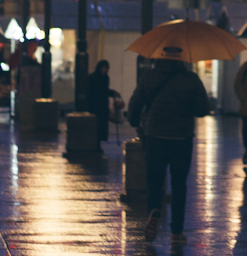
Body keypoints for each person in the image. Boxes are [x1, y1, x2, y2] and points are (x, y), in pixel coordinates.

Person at [127, 58, 211, 244]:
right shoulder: (192, 79)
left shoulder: (149, 76)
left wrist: (135, 123)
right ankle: (176, 232)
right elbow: (203, 109)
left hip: (155, 137)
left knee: (154, 182)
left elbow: (134, 105)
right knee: (179, 186)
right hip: (181, 139)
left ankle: (154, 210)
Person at [87, 59, 120, 145]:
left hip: (101, 105)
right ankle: (96, 144)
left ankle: (97, 144)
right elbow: (101, 91)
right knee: (97, 126)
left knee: (101, 125)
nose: (105, 70)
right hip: (95, 106)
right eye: (103, 68)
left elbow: (103, 90)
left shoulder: (103, 77)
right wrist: (111, 93)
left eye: (106, 68)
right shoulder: (96, 78)